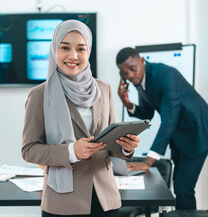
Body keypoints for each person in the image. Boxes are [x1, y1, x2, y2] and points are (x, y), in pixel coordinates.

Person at [22, 20, 141, 217]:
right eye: (65, 47)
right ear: (54, 50)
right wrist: (71, 151)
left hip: (105, 200)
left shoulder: (104, 89)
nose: (73, 56)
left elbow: (110, 144)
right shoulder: (39, 95)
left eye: (81, 48)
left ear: (89, 51)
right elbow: (29, 150)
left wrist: (127, 146)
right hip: (63, 202)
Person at [116, 47, 208, 210]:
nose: (129, 75)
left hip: (197, 132)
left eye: (132, 69)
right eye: (124, 73)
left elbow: (169, 120)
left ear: (142, 61)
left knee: (183, 187)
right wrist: (127, 104)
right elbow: (148, 113)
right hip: (179, 135)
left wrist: (148, 161)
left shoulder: (167, 76)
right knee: (179, 186)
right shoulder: (141, 80)